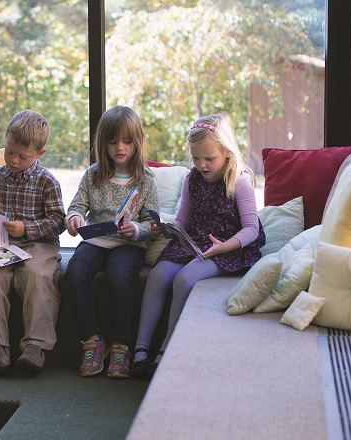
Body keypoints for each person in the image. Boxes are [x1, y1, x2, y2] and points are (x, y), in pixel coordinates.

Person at [132, 112, 265, 375]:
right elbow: (183, 219)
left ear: (226, 152)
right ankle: (140, 350)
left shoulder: (240, 180)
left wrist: (225, 246)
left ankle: (165, 351)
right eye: (196, 158)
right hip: (195, 240)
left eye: (209, 158)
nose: (202, 164)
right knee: (158, 275)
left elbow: (251, 228)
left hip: (228, 247)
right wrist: (169, 229)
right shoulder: (193, 178)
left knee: (184, 278)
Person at [0, 110, 66, 376]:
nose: (13, 159)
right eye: (9, 151)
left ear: (39, 154)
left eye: (22, 156)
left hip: (39, 244)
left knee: (37, 275)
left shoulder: (47, 181)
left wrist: (27, 228)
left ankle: (36, 346)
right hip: (1, 245)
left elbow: (58, 221)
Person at [65, 106, 159, 378]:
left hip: (128, 245)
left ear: (137, 143)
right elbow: (77, 205)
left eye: (128, 141)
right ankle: (92, 340)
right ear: (102, 142)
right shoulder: (93, 175)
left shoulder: (146, 180)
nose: (120, 147)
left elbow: (152, 223)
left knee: (119, 277)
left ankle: (122, 344)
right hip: (95, 239)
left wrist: (137, 230)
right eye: (113, 141)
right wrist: (73, 218)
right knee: (76, 271)